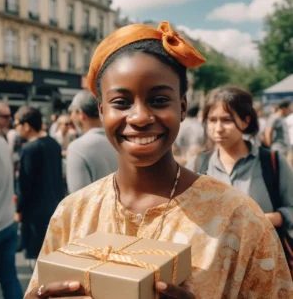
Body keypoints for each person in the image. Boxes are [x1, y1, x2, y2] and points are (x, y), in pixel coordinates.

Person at [25, 22, 292, 299]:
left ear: (183, 108)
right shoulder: (72, 213)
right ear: (102, 112)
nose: (140, 117)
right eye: (121, 102)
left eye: (159, 99)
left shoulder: (240, 220)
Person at [186, 86, 293, 275]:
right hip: (213, 268)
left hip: (265, 268)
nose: (218, 128)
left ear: (246, 121)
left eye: (226, 120)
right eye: (212, 120)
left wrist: (271, 218)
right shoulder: (197, 165)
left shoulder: (272, 162)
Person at [14, 107, 64, 266]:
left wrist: (19, 209)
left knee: (37, 259)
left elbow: (25, 184)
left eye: (17, 124)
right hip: (55, 206)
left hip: (35, 212)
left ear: (26, 125)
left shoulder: (29, 149)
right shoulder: (54, 144)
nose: (15, 128)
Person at [0, 102, 23, 299]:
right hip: (6, 223)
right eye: (6, 116)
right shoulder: (2, 142)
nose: (10, 120)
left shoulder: (2, 142)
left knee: (9, 279)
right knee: (9, 279)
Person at [66, 90, 118, 193]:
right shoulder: (120, 140)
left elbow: (79, 200)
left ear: (80, 113)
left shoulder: (76, 148)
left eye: (72, 112)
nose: (71, 117)